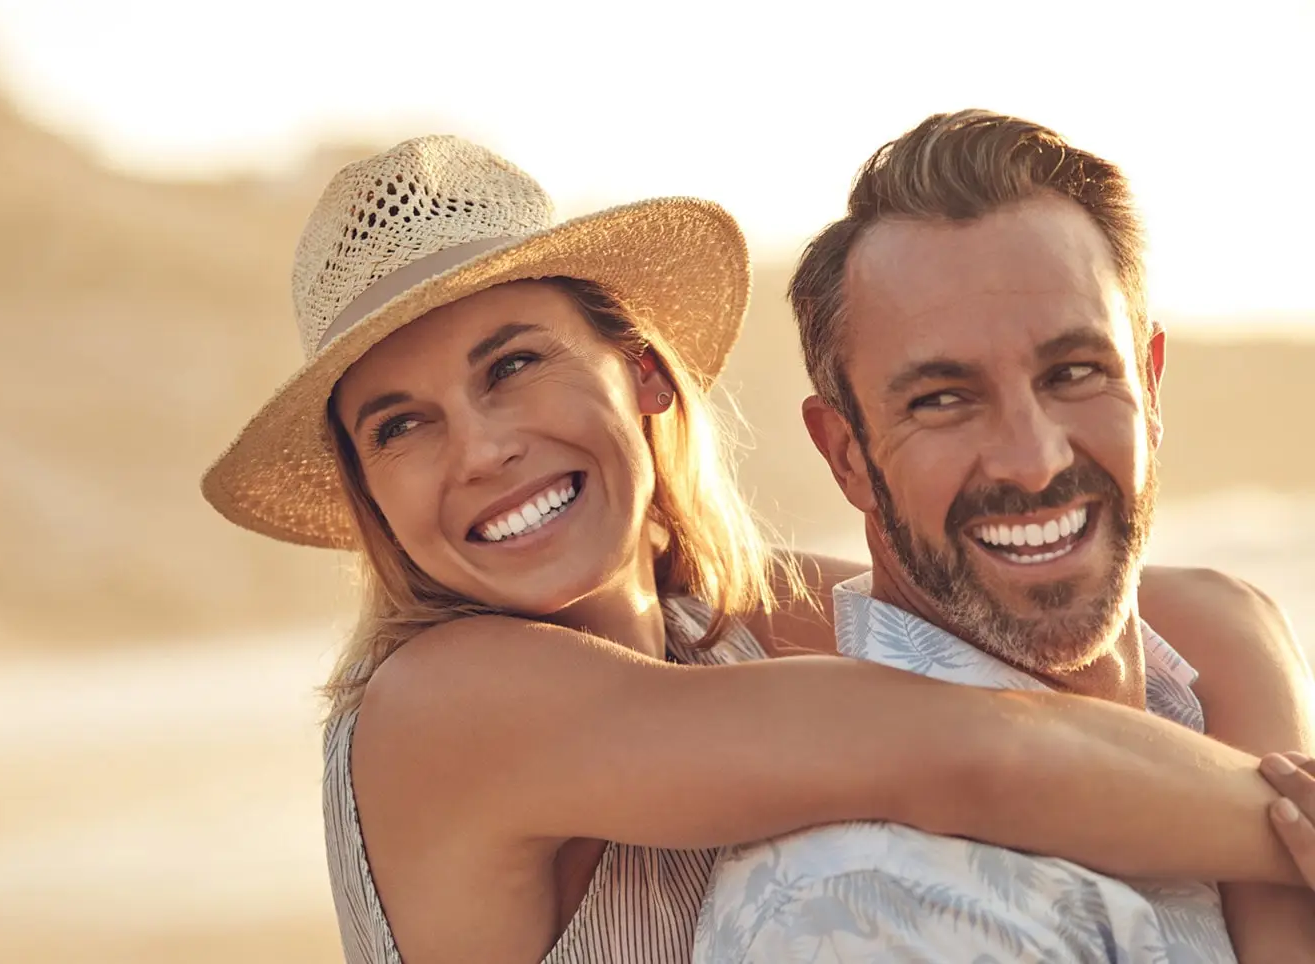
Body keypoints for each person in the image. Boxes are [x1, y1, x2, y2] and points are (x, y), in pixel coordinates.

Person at [198, 133, 1315, 964]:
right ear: (370, 490)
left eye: (514, 365)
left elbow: (1211, 615)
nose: (482, 450)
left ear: (642, 372)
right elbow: (972, 752)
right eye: (401, 426)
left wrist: (1281, 924)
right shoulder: (440, 705)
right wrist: (1288, 827)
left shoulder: (719, 629)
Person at [693, 109, 1313, 963]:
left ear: (1151, 386)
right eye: (944, 399)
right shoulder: (878, 906)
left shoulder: (1207, 685)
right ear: (847, 455)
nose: (1032, 460)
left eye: (1074, 372)